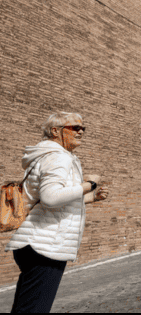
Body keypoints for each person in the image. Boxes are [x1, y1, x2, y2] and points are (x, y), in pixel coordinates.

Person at [5, 112, 110, 313]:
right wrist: (90, 184)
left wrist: (92, 197)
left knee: (26, 307)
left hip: (36, 242)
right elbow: (51, 197)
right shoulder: (58, 157)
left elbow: (53, 200)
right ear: (55, 131)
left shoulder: (49, 155)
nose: (81, 132)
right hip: (45, 246)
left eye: (83, 128)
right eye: (74, 128)